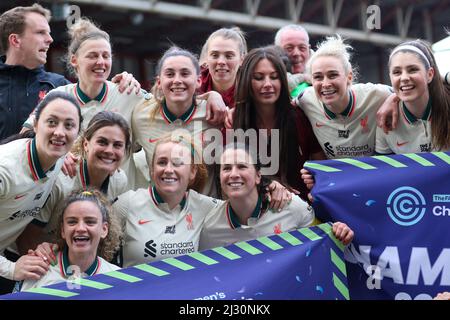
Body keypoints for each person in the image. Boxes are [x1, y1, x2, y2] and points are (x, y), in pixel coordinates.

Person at [0, 4, 140, 141]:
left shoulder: (59, 88)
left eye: (106, 55)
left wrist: (126, 84)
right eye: (40, 32)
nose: (50, 39)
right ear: (15, 40)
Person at [199, 142, 354, 250]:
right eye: (226, 168)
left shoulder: (291, 205)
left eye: (242, 166)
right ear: (219, 177)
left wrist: (340, 234)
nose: (233, 174)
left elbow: (325, 242)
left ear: (258, 176)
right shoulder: (211, 226)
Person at [0, 91, 82, 294]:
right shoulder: (5, 170)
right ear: (35, 125)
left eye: (69, 125)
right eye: (52, 122)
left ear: (79, 133)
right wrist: (11, 268)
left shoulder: (59, 159)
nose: (60, 133)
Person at [16, 111, 131, 252]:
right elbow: (25, 238)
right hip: (31, 259)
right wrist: (55, 270)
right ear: (86, 144)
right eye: (102, 142)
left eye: (118, 145)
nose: (109, 150)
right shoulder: (60, 180)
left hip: (72, 261)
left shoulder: (119, 181)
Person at [232, 46, 325, 202]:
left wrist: (315, 188)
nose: (268, 84)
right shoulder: (234, 119)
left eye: (274, 77)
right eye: (259, 77)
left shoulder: (299, 116)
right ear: (247, 80)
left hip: (300, 207)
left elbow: (320, 164)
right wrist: (268, 183)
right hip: (252, 208)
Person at [132, 46, 224, 196]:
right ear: (159, 82)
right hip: (160, 213)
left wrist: (214, 95)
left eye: (185, 73)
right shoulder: (140, 114)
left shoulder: (214, 112)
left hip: (206, 214)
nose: (177, 80)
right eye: (170, 74)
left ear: (199, 80)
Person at [294, 35, 392, 159]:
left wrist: (393, 100)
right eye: (318, 77)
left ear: (349, 77)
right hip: (338, 177)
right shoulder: (306, 99)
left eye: (333, 75)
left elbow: (408, 93)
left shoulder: (376, 94)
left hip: (373, 174)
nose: (325, 84)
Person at [17, 189, 121, 291]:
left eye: (90, 222)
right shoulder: (38, 269)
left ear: (104, 229)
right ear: (63, 230)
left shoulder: (118, 278)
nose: (80, 228)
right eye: (72, 222)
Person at [375, 39, 450, 154]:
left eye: (413, 70)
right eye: (397, 72)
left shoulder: (446, 102)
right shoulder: (386, 120)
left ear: (430, 74)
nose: (404, 78)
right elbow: (385, 169)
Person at [199, 27, 247, 108]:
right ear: (206, 58)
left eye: (229, 56)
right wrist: (209, 96)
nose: (221, 62)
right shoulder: (193, 83)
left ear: (241, 60)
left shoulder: (252, 88)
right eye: (215, 55)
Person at [274, 24, 312, 97]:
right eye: (289, 48)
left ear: (309, 49)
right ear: (277, 50)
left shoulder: (323, 72)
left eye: (302, 48)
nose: (296, 53)